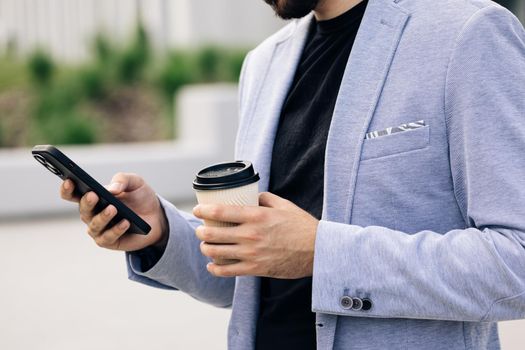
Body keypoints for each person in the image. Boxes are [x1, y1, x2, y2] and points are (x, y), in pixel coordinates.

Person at [59, 0, 525, 348]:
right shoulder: (264, 63)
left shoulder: (468, 33)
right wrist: (159, 231)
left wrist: (321, 252)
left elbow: (516, 264)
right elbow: (250, 273)